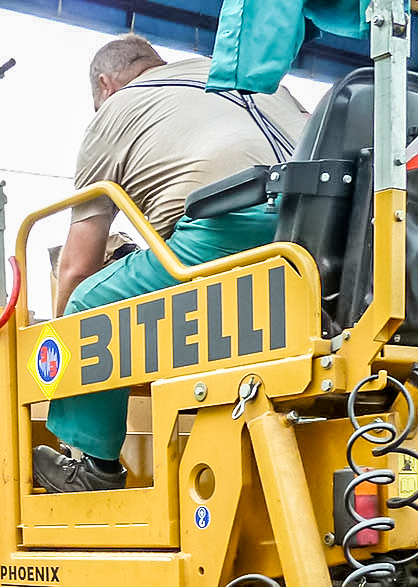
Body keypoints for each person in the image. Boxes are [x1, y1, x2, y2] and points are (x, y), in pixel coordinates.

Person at [35, 34, 307, 493]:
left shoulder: (114, 113)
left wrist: (53, 349)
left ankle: (94, 467)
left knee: (88, 303)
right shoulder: (234, 76)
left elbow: (78, 266)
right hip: (323, 235)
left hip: (230, 232)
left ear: (105, 85)